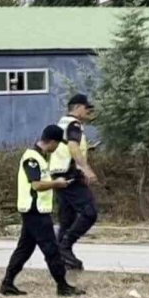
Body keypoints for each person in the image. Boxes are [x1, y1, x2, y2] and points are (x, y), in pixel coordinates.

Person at [0, 125, 86, 297]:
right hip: (35, 211)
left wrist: (67, 179)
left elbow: (43, 181)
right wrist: (57, 184)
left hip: (34, 211)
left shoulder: (39, 158)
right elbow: (37, 185)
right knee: (51, 250)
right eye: (57, 144)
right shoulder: (32, 158)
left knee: (24, 249)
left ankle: (7, 283)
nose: (57, 149)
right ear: (52, 142)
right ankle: (63, 286)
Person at [50, 94, 98, 272]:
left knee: (67, 219)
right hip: (70, 175)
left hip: (58, 175)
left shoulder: (60, 123)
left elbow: (63, 147)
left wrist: (87, 150)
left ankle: (62, 258)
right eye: (87, 108)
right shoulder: (74, 124)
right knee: (89, 212)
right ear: (77, 107)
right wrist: (85, 168)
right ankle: (65, 246)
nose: (88, 112)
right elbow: (72, 146)